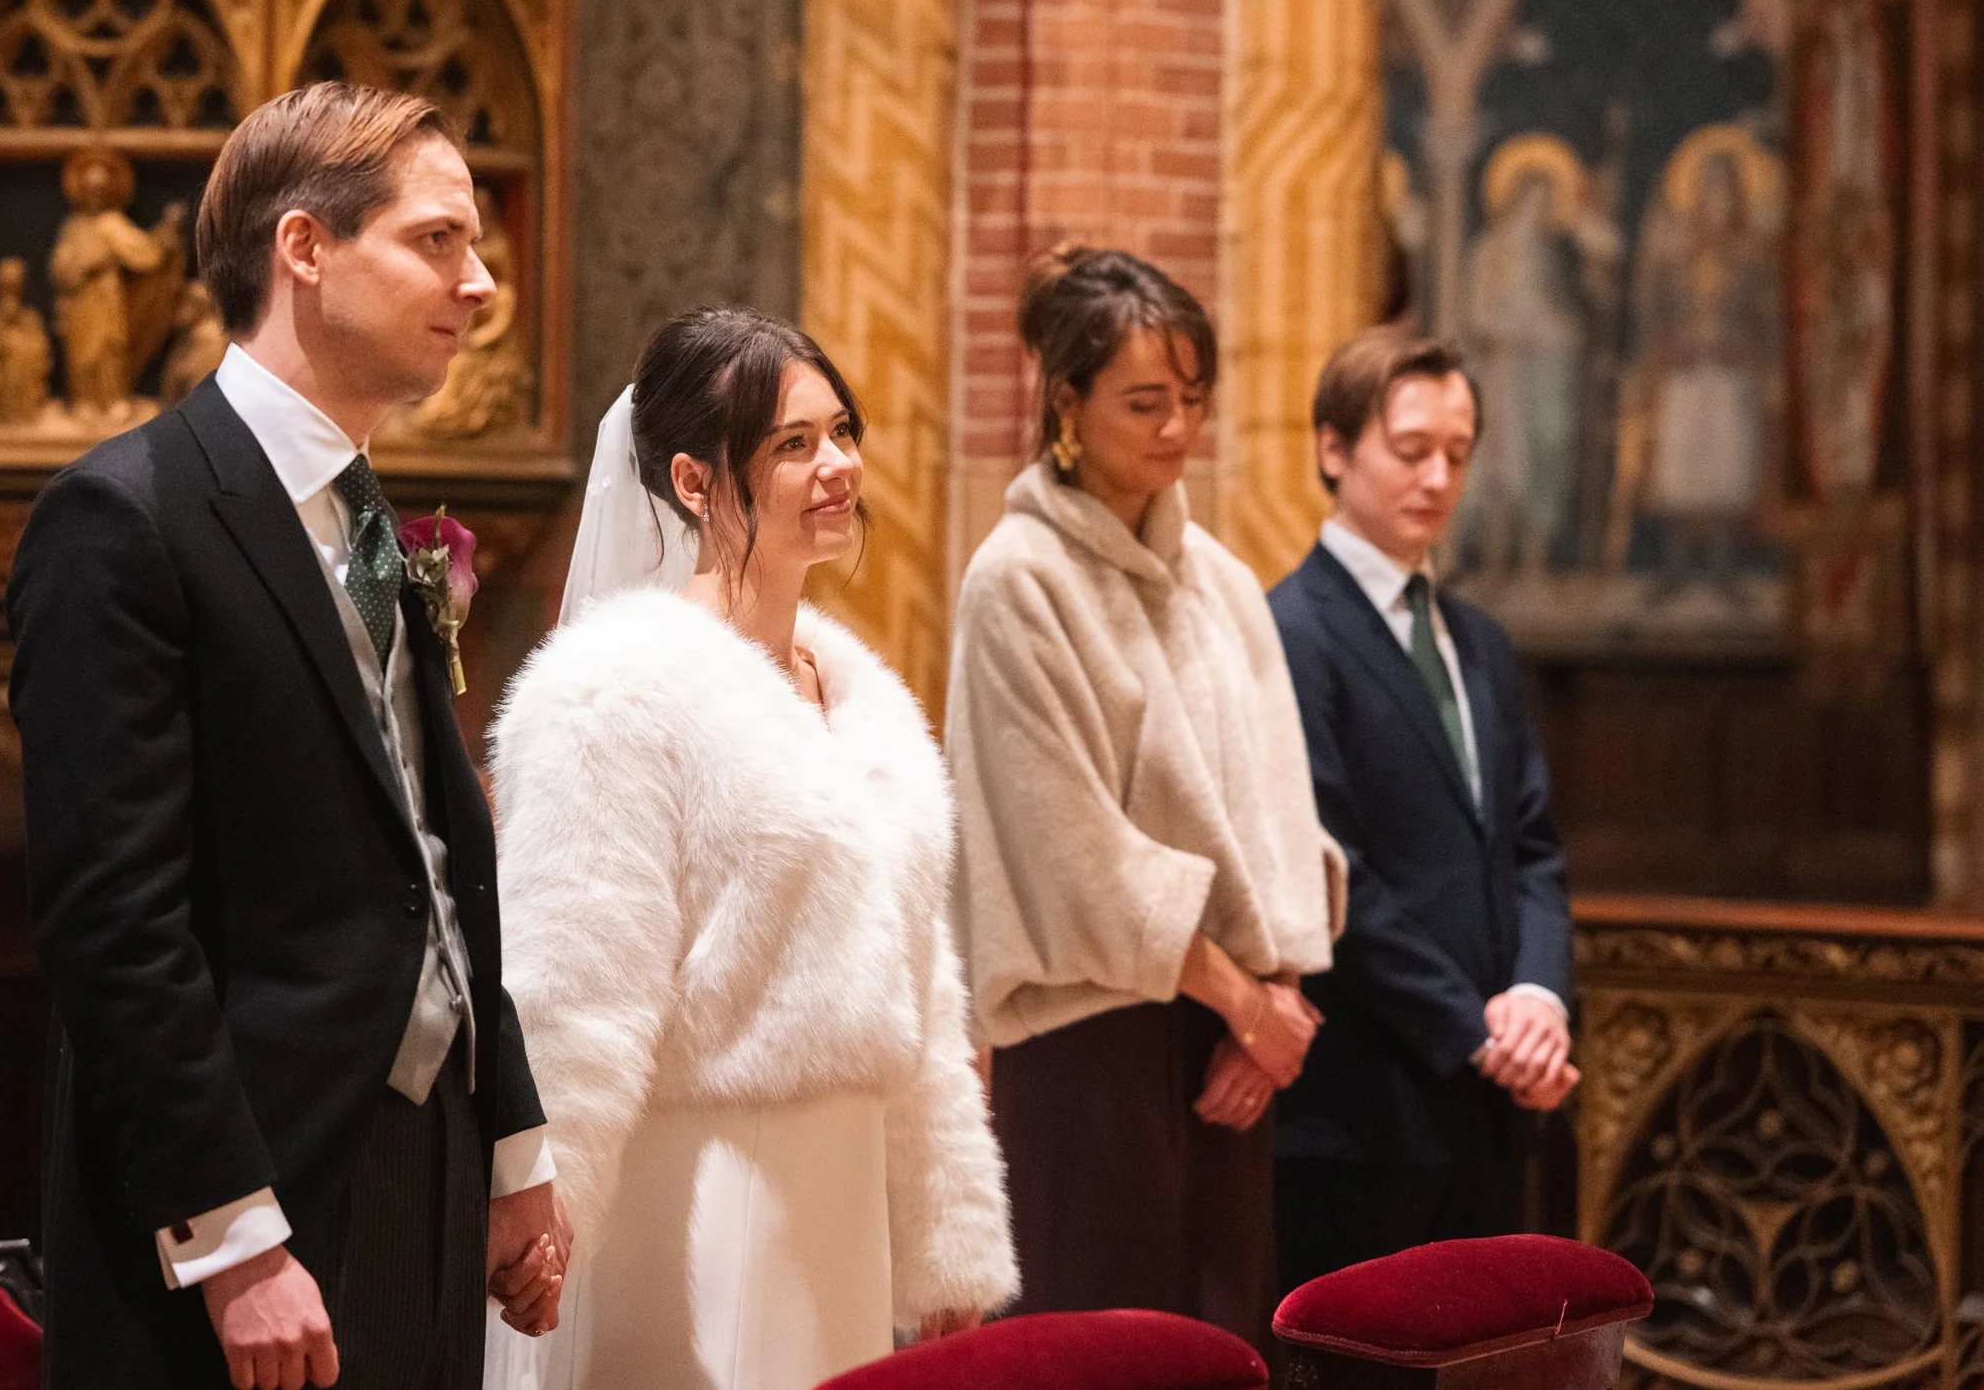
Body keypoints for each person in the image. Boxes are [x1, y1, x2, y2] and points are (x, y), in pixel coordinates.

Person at [9, 82, 567, 1390]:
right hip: (244, 1195)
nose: (480, 284)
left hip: (419, 1173)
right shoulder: (124, 516)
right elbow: (114, 918)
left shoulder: (366, 516)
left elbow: (440, 854)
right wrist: (235, 1236)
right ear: (305, 249)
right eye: (437, 240)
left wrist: (510, 1141)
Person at [487, 307, 1016, 1390]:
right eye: (792, 443)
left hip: (847, 1189)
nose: (838, 465)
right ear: (692, 479)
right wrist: (538, 1216)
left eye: (840, 431)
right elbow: (569, 989)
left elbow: (920, 988)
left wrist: (946, 1233)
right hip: (705, 1190)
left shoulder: (862, 696)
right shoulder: (614, 688)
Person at [949, 244, 1343, 1353]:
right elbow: (1067, 846)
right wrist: (1241, 999)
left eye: (1193, 399)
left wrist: (1273, 1003)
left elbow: (1276, 802)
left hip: (1231, 1041)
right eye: (1143, 400)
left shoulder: (1216, 576)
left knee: (1221, 1347)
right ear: (1064, 399)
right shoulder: (1017, 578)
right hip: (1090, 1046)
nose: (1177, 427)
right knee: (1099, 1346)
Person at [1268, 326, 1577, 1289]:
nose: (1437, 478)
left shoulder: (1478, 640)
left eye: (1457, 453)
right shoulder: (1289, 630)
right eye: (1410, 450)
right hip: (1363, 1110)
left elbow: (1530, 848)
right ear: (1333, 447)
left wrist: (1535, 997)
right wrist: (1475, 1031)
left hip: (1492, 1106)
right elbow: (1331, 867)